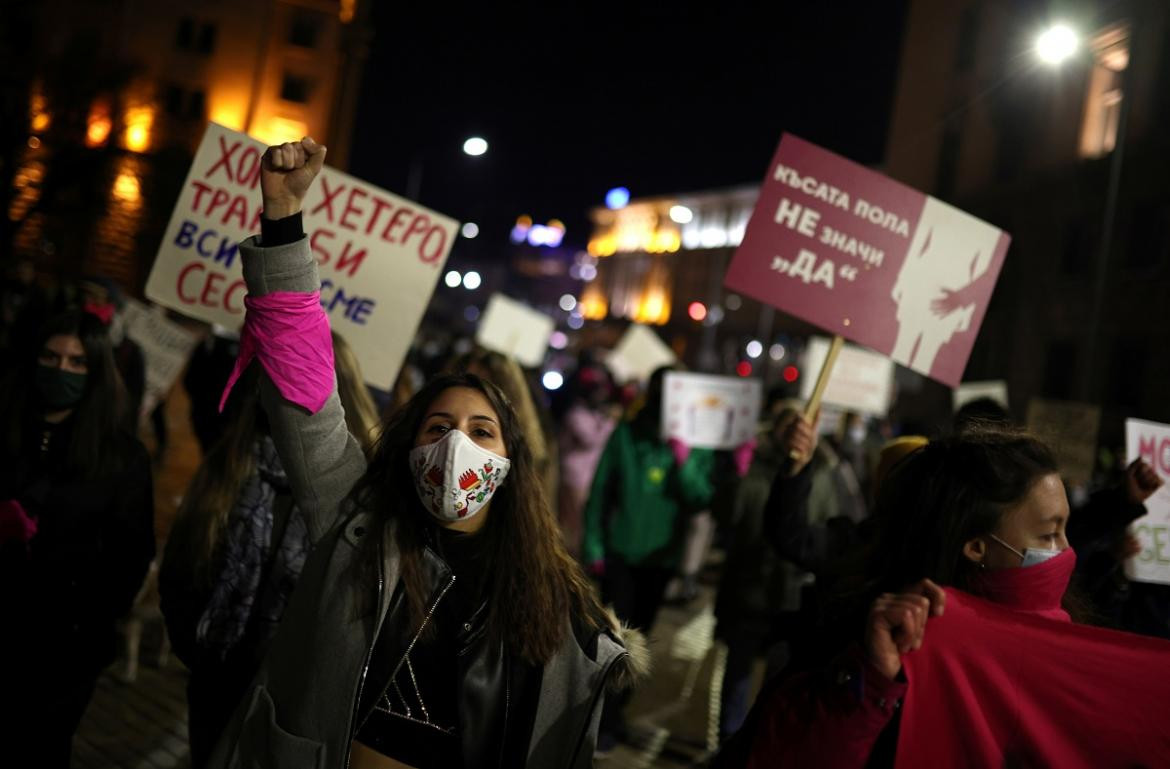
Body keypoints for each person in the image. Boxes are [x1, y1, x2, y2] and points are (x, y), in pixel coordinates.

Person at [205, 137, 645, 769]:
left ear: (510, 462)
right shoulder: (355, 520)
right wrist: (282, 220)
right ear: (409, 443)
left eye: (481, 430)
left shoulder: (554, 600)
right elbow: (302, 386)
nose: (457, 443)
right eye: (439, 426)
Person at [718, 426, 1170, 767]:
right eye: (1050, 534)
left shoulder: (1065, 640)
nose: (1066, 551)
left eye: (1065, 530)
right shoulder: (881, 639)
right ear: (975, 546)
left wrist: (1118, 504)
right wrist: (866, 688)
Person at [161, 332, 381, 767]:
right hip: (217, 685)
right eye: (282, 374)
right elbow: (182, 564)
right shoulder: (232, 461)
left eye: (306, 375)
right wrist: (198, 648)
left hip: (295, 703)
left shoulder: (363, 488)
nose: (291, 388)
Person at [0, 309, 156, 768]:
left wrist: (86, 627)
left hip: (61, 651)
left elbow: (130, 556)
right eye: (51, 357)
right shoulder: (5, 431)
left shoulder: (121, 457)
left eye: (76, 362)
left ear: (96, 370)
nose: (61, 370)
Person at [582, 365, 715, 749]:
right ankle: (598, 719)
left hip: (660, 562)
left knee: (641, 644)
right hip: (620, 557)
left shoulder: (693, 444)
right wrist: (593, 545)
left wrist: (683, 459)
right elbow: (600, 492)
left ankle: (615, 714)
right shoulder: (625, 434)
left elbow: (699, 499)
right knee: (614, 641)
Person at [556, 365, 616, 559]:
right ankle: (568, 558)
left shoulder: (596, 413)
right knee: (573, 522)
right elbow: (591, 440)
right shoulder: (576, 413)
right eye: (595, 389)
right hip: (575, 475)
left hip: (589, 475)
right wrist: (609, 421)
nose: (600, 394)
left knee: (581, 522)